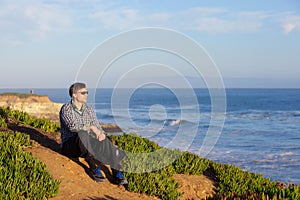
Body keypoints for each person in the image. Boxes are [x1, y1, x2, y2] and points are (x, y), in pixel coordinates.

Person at [59, 82, 128, 184]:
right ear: (74, 94)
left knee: (105, 138)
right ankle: (93, 166)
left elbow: (97, 126)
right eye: (83, 92)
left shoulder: (89, 110)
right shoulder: (66, 108)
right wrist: (90, 127)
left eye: (87, 92)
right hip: (71, 145)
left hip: (87, 144)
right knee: (82, 134)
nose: (86, 94)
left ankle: (116, 170)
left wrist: (101, 134)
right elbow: (73, 127)